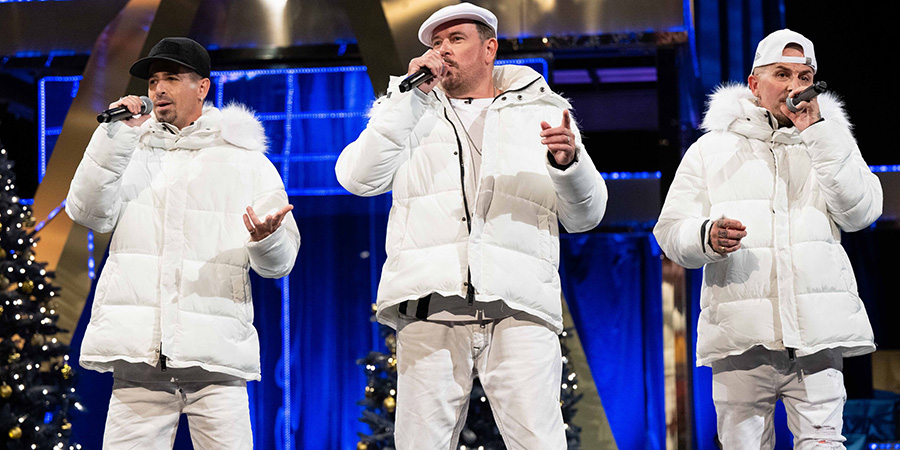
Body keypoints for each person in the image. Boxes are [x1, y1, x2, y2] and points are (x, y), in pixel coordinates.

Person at [336, 3, 606, 449]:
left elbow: (587, 215)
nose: (442, 50)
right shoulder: (405, 109)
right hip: (431, 306)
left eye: (455, 39)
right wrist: (408, 101)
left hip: (518, 306)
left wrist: (569, 164)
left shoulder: (541, 109)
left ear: (489, 48)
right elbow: (356, 179)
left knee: (541, 443)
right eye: (435, 43)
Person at [66, 37, 301, 449]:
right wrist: (113, 137)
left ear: (203, 87)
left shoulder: (244, 159)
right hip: (139, 363)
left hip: (215, 362)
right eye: (154, 80)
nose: (158, 89)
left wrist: (268, 240)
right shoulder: (129, 150)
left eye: (171, 78)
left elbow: (279, 263)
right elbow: (87, 211)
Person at [654, 29, 882, 449]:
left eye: (804, 75)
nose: (796, 86)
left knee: (824, 444)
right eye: (782, 73)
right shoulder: (711, 149)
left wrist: (819, 135)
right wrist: (706, 235)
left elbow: (862, 213)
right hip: (742, 337)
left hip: (818, 335)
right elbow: (669, 232)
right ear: (755, 84)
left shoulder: (831, 141)